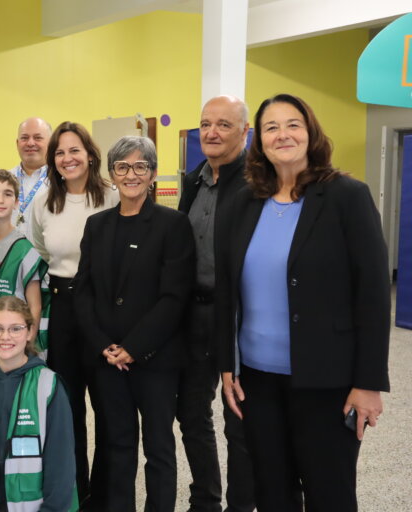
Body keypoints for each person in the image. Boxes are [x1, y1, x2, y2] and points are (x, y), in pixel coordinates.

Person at [217, 94, 391, 511]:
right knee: (272, 493)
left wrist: (368, 383)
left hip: (326, 380)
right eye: (271, 127)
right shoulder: (243, 202)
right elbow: (227, 289)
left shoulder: (347, 197)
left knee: (329, 493)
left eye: (293, 124)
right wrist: (227, 365)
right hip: (257, 381)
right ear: (259, 141)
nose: (283, 135)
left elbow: (372, 293)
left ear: (311, 132)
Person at [75, 136, 195, 511]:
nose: (131, 174)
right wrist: (105, 346)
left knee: (158, 446)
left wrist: (134, 347)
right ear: (111, 175)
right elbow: (83, 292)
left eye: (140, 166)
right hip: (108, 359)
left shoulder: (173, 224)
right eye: (122, 167)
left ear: (153, 174)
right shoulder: (96, 225)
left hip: (156, 360)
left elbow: (175, 297)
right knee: (118, 444)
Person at [30, 121, 118, 508]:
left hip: (104, 308)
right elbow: (39, 250)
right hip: (63, 306)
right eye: (60, 152)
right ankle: (77, 492)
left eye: (74, 150)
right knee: (69, 406)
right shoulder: (45, 200)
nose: (67, 158)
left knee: (108, 405)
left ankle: (104, 494)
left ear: (90, 154)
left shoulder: (113, 197)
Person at [176, 95, 255, 512]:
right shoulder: (192, 180)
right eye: (206, 123)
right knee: (191, 414)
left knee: (238, 418)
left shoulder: (258, 183)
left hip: (239, 319)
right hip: (194, 314)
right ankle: (204, 499)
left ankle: (241, 505)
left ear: (244, 132)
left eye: (224, 124)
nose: (212, 132)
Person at [0, 296, 77, 512]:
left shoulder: (48, 384)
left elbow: (61, 461)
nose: (5, 337)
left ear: (30, 332)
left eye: (15, 329)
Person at [0, 168, 51, 359]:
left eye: (8, 194)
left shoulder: (24, 249)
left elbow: (35, 306)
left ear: (16, 203)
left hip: (14, 344)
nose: (0, 200)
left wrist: (27, 345)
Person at [0, 117, 52, 242]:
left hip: (45, 260)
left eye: (38, 138)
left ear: (50, 143)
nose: (30, 143)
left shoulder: (62, 183)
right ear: (17, 143)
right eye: (24, 138)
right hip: (3, 259)